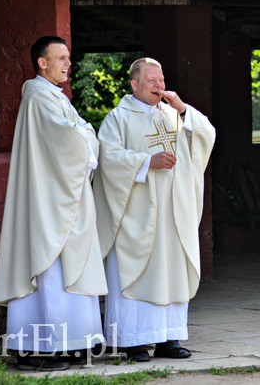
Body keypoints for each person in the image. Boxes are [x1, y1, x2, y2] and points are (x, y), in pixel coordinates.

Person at [0, 36, 107, 371]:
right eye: (61, 58)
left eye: (68, 58)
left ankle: (69, 343)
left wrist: (84, 134)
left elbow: (80, 132)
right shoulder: (38, 96)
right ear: (42, 62)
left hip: (61, 197)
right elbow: (73, 137)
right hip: (47, 203)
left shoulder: (55, 97)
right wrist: (85, 136)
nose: (67, 64)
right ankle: (38, 348)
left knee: (63, 272)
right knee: (49, 273)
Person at [93, 58, 215, 362]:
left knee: (171, 271)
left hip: (173, 213)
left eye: (161, 80)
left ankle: (169, 339)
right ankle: (133, 341)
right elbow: (108, 157)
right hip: (137, 214)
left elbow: (206, 136)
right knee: (135, 271)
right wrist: (148, 162)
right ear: (134, 84)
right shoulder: (118, 118)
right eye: (151, 81)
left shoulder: (175, 113)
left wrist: (184, 109)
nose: (159, 86)